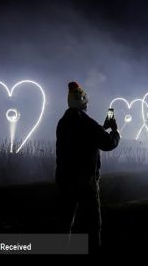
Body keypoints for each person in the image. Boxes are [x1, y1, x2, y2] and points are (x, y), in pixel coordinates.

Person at [56, 81, 120, 249]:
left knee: (64, 224)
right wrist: (114, 131)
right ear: (83, 101)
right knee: (93, 225)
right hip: (86, 182)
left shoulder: (63, 122)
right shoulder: (87, 123)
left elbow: (85, 136)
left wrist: (101, 128)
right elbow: (107, 143)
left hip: (65, 180)